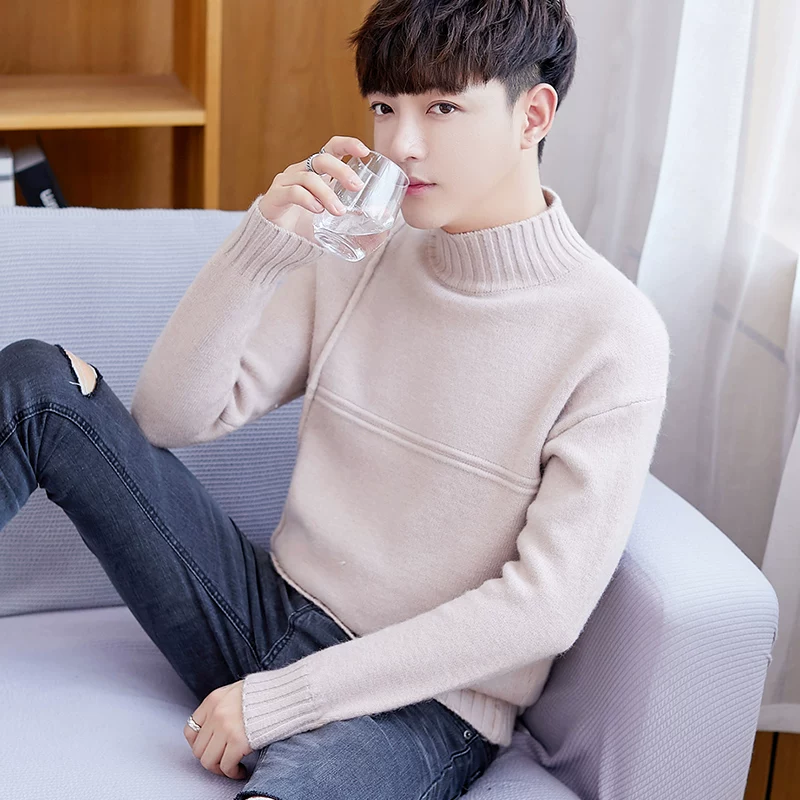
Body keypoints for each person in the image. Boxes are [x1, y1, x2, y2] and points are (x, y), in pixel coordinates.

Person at [0, 1, 671, 798]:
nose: (401, 144)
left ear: (533, 115)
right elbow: (170, 416)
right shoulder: (362, 254)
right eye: (385, 107)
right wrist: (263, 243)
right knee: (41, 386)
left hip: (422, 704)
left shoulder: (613, 333)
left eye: (442, 108)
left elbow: (542, 610)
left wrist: (282, 701)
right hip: (265, 611)